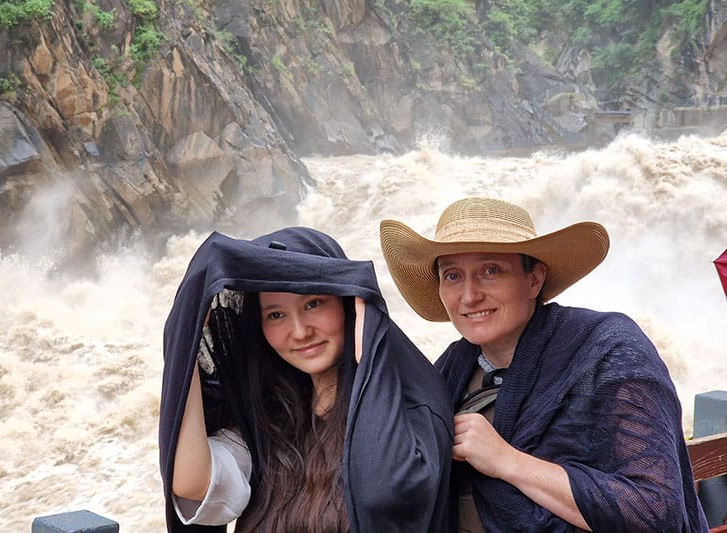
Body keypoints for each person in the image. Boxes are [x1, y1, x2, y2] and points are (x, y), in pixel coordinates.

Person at [379, 197, 708, 532]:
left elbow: (653, 511)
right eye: (452, 276)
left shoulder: (608, 351)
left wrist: (505, 460)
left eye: (491, 271)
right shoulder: (450, 371)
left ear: (534, 280)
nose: (469, 296)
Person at [159, 227, 453, 532]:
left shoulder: (413, 407)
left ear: (348, 302)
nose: (300, 332)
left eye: (313, 304)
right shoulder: (270, 421)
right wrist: (186, 342)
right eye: (276, 315)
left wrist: (370, 349)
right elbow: (193, 484)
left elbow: (384, 494)